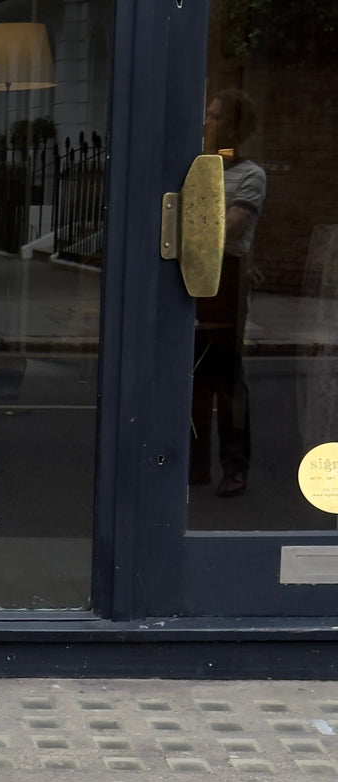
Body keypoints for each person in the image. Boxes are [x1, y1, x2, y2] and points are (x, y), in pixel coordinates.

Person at [190, 89, 267, 498]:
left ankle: (235, 467)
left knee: (225, 376)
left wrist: (192, 225)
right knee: (193, 375)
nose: (208, 123)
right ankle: (196, 465)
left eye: (217, 117)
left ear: (236, 127)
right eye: (208, 115)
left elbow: (229, 229)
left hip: (225, 277)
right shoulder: (201, 167)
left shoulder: (250, 175)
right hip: (192, 275)